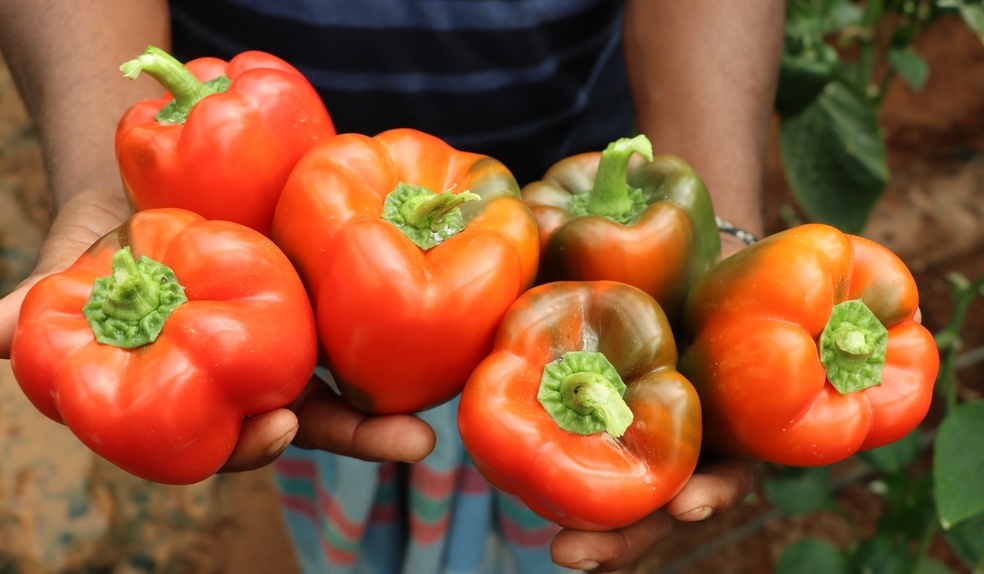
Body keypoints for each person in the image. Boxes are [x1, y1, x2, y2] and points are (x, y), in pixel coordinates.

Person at [0, 1, 783, 572]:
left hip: (570, 261)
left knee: (543, 509)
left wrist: (718, 270)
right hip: (278, 288)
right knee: (333, 469)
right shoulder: (236, 277)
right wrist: (111, 189)